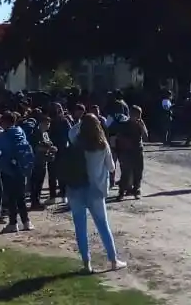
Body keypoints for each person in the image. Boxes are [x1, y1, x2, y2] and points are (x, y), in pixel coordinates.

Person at [63, 113, 126, 273]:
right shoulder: (102, 145)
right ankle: (113, 260)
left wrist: (82, 121)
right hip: (96, 190)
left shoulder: (76, 142)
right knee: (103, 225)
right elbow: (111, 167)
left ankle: (87, 264)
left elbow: (71, 131)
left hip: (76, 188)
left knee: (80, 227)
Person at [0, 112, 35, 232]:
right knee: (21, 197)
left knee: (11, 198)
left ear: (5, 122)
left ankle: (13, 224)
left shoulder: (5, 135)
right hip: (22, 168)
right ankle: (26, 222)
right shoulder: (20, 131)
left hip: (9, 169)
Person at [115, 105, 149, 199]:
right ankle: (122, 191)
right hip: (127, 151)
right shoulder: (125, 124)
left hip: (138, 150)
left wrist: (142, 127)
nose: (138, 116)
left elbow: (146, 138)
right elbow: (119, 137)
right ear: (131, 114)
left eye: (139, 114)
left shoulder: (140, 124)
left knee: (138, 171)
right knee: (126, 172)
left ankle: (136, 190)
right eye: (136, 114)